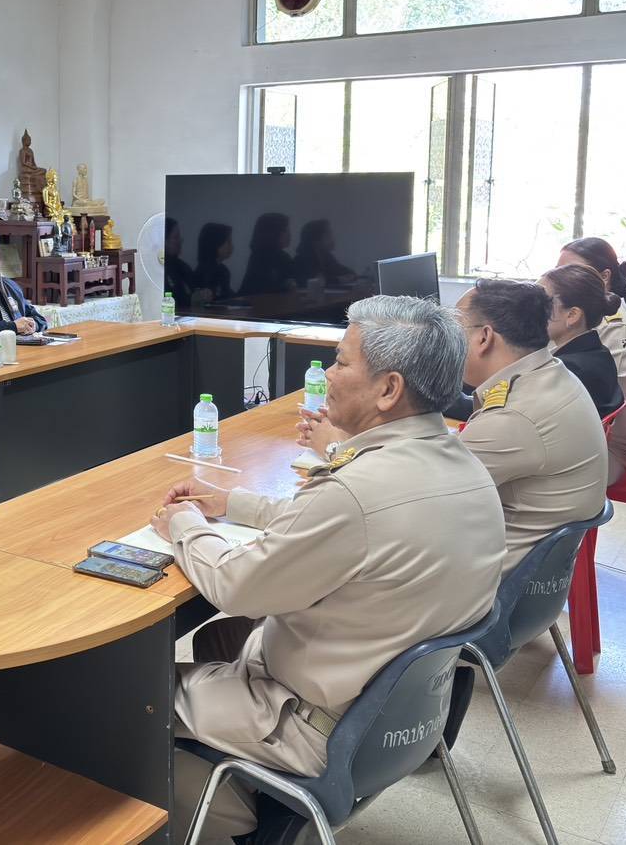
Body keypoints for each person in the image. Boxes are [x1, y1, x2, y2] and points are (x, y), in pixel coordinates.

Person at [155, 296, 505, 842]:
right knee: (224, 639)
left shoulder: (355, 491)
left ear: (388, 389)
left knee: (129, 695)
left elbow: (235, 586)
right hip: (397, 720)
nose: (328, 375)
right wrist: (234, 504)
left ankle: (235, 818)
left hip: (313, 726)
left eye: (341, 362)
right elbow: (346, 525)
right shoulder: (465, 465)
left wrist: (183, 525)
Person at [453, 278, 607, 570]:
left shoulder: (513, 417)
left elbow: (426, 495)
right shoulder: (552, 373)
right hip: (533, 568)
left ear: (484, 337)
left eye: (454, 330)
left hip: (496, 577)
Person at [559, 237, 626, 484]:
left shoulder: (621, 332)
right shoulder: (571, 321)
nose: (559, 281)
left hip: (612, 448)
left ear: (604, 277)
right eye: (558, 272)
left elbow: (605, 405)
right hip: (583, 435)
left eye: (570, 272)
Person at [540, 264, 624, 419]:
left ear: (572, 315)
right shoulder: (600, 353)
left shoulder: (567, 370)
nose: (532, 310)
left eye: (542, 303)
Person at [238, 212, 295, 296]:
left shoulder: (283, 256)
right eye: (285, 230)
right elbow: (264, 289)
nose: (290, 235)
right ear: (273, 233)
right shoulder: (261, 257)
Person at [292, 218, 355, 288]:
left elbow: (348, 272)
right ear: (316, 240)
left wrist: (348, 276)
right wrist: (338, 279)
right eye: (328, 235)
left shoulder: (327, 257)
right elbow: (315, 281)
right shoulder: (301, 259)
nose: (333, 239)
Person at [192, 222, 236, 304]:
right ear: (216, 243)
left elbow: (227, 294)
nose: (232, 246)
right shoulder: (205, 272)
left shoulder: (223, 270)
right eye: (228, 242)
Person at [164, 217, 196, 311]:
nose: (180, 241)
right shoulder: (158, 270)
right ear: (164, 241)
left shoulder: (184, 267)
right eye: (175, 237)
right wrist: (192, 299)